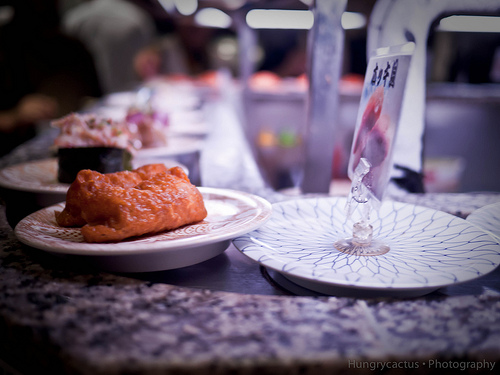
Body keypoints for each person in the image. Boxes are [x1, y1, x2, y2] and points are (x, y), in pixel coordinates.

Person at [0, 0, 101, 157]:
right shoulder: (5, 48)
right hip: (11, 151)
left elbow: (94, 100)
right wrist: (14, 116)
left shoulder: (72, 48)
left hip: (60, 149)